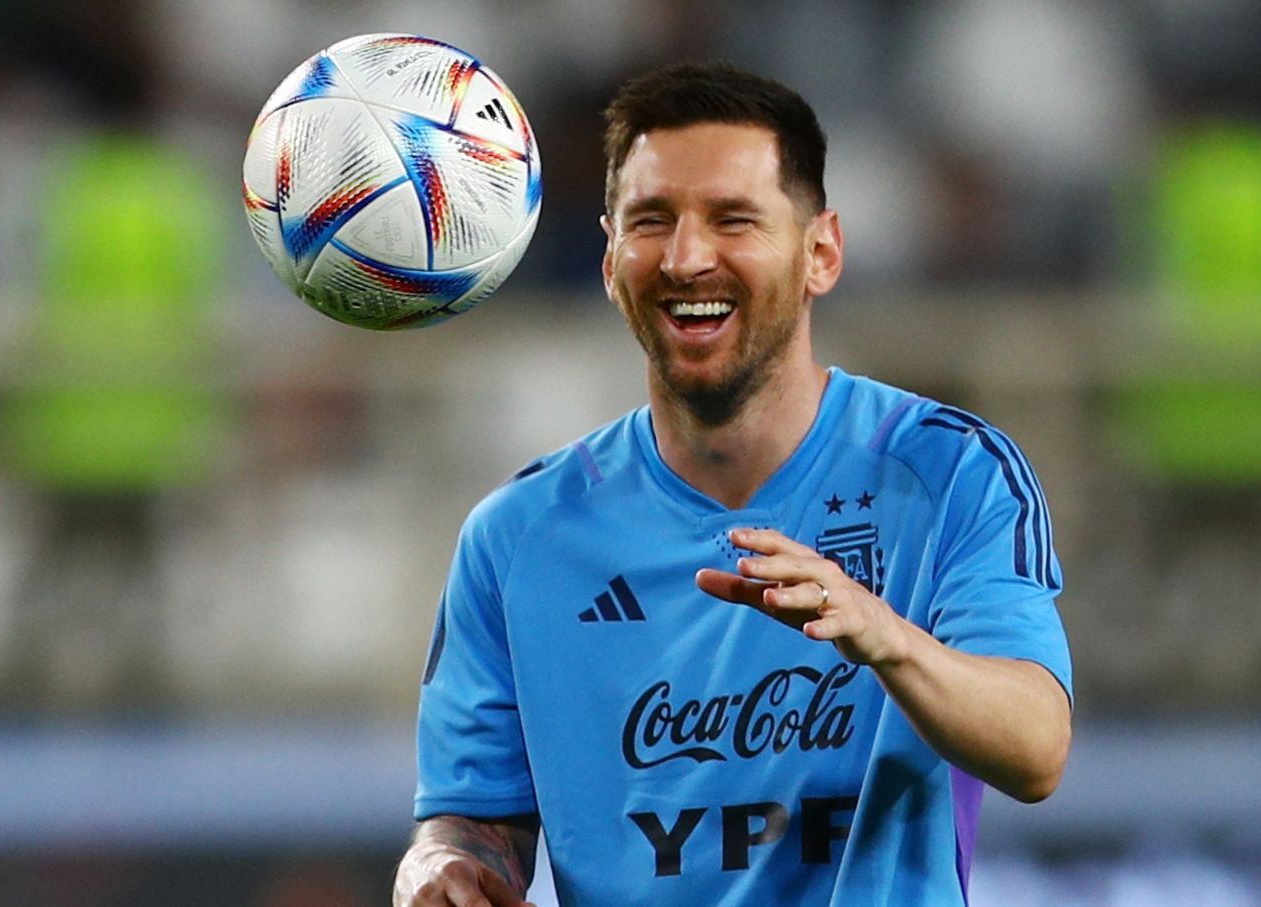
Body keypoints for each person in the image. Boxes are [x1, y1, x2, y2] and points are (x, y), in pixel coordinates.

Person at [395, 62, 1072, 907]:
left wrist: (881, 634)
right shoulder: (518, 536)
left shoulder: (948, 471)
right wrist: (442, 867)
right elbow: (470, 821)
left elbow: (1037, 747)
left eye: (732, 219)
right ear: (610, 259)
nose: (685, 257)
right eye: (651, 221)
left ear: (820, 251)